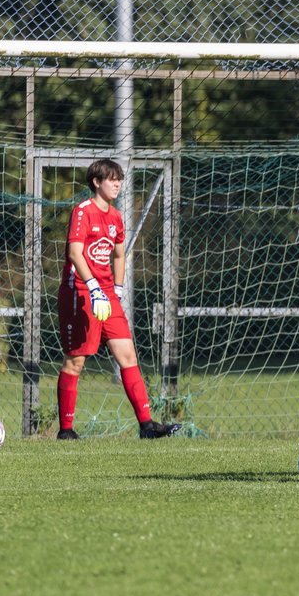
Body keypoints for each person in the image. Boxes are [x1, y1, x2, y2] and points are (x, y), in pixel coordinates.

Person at [56, 159, 179, 439]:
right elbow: (75, 252)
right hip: (81, 291)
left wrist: (118, 289)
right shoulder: (83, 211)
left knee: (127, 355)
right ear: (97, 182)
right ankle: (65, 430)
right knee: (76, 360)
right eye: (112, 179)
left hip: (107, 294)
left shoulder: (115, 216)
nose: (117, 184)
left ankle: (146, 425)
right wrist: (93, 287)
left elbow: (120, 254)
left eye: (119, 179)